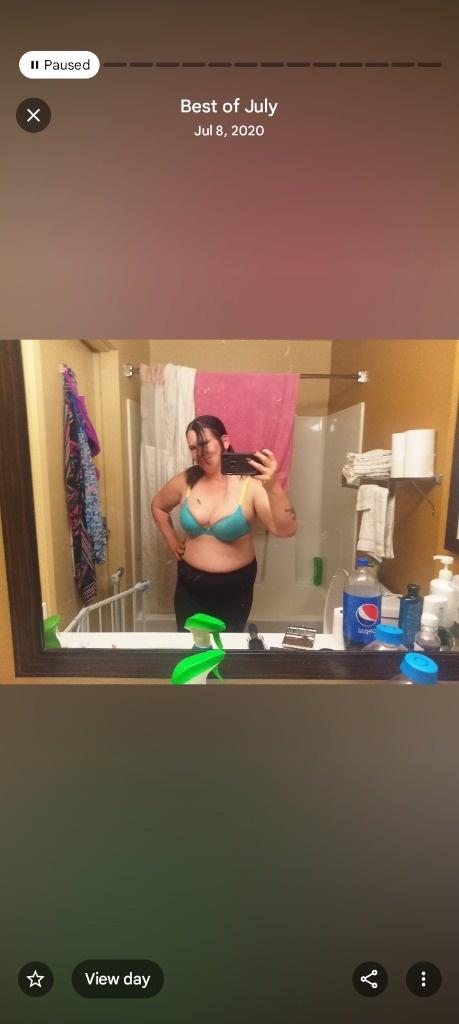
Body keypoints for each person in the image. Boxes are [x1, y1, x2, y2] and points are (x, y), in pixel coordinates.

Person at [151, 414, 297, 631]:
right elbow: (158, 506)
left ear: (224, 442)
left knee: (227, 647)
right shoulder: (185, 481)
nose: (199, 453)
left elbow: (286, 530)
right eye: (193, 448)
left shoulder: (251, 485)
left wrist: (273, 486)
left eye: (204, 443)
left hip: (235, 590)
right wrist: (172, 541)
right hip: (190, 586)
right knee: (191, 645)